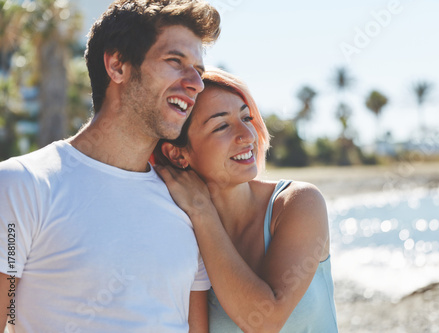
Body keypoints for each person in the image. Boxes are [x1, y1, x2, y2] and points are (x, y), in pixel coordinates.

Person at [0, 1, 220, 332]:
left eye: (199, 72)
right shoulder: (23, 184)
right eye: (176, 61)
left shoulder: (188, 202)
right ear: (117, 65)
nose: (196, 83)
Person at [153, 68, 339, 332]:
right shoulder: (180, 231)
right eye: (222, 126)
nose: (248, 136)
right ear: (177, 154)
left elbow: (265, 320)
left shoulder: (297, 203)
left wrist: (202, 210)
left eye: (246, 117)